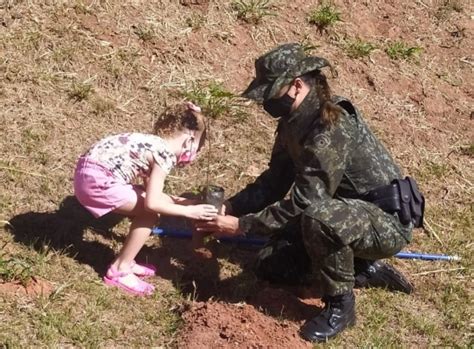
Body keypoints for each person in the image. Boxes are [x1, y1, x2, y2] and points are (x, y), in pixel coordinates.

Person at [195, 43, 424, 342]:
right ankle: (361, 269)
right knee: (270, 263)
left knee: (318, 218)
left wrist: (242, 226)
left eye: (272, 91)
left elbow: (307, 201)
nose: (267, 100)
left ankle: (340, 304)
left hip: (384, 222)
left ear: (296, 85)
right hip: (341, 211)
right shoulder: (294, 122)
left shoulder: (332, 123)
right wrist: (231, 207)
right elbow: (274, 181)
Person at [74, 102, 218, 296]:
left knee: (147, 204)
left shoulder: (151, 143)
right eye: (198, 149)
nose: (194, 156)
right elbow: (152, 203)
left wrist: (185, 202)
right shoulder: (165, 154)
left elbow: (151, 192)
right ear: (189, 141)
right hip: (98, 183)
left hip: (87, 175)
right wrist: (189, 211)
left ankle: (127, 259)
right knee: (150, 214)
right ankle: (120, 269)